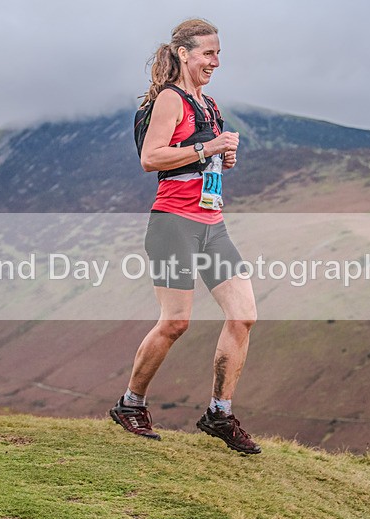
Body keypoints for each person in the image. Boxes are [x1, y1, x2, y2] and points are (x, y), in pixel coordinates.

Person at [109, 18, 260, 454]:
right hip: (173, 223)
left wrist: (222, 160)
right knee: (175, 322)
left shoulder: (209, 104)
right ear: (183, 53)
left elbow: (197, 159)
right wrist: (207, 148)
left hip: (213, 225)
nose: (215, 62)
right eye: (208, 53)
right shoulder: (170, 100)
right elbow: (151, 158)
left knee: (243, 315)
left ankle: (219, 413)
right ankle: (130, 404)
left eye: (218, 54)